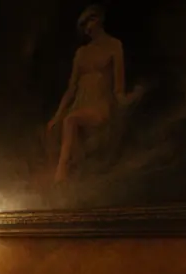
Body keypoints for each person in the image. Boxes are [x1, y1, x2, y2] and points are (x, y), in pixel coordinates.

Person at [46, 4, 127, 182]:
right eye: (83, 25)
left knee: (71, 120)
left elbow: (119, 85)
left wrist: (122, 104)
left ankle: (62, 172)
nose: (87, 28)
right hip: (80, 103)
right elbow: (71, 87)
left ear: (99, 20)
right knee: (57, 125)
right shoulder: (81, 53)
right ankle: (71, 173)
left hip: (100, 105)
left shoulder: (114, 46)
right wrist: (57, 115)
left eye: (90, 21)